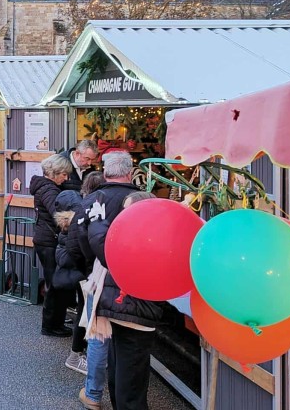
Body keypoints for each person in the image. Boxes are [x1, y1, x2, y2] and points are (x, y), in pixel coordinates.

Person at [84, 154, 163, 410]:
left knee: (119, 364)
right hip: (135, 306)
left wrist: (96, 225)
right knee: (130, 373)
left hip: (114, 299)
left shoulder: (99, 204)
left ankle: (94, 394)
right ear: (129, 172)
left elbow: (86, 243)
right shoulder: (153, 235)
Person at [29, 153, 75, 337]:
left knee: (55, 284)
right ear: (54, 172)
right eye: (64, 174)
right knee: (54, 285)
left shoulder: (45, 187)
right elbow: (58, 214)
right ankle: (49, 326)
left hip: (45, 240)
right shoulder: (49, 190)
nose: (66, 178)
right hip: (49, 242)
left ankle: (55, 323)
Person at [50, 190, 90, 375]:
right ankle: (75, 355)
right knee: (84, 314)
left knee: (84, 313)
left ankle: (78, 354)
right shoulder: (74, 226)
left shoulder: (66, 226)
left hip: (79, 276)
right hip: (82, 276)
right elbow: (68, 256)